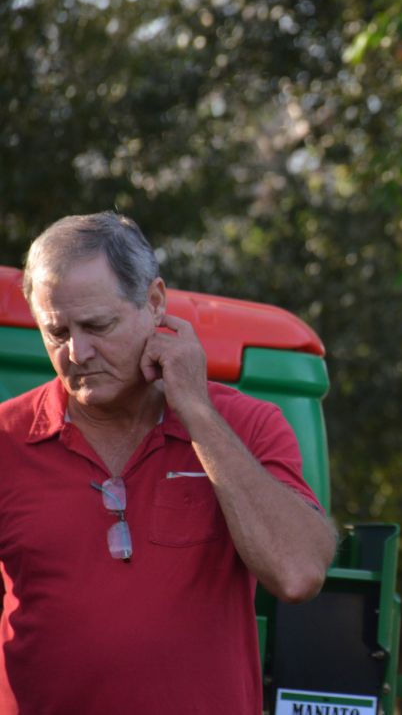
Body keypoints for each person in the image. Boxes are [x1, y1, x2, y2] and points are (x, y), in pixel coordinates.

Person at [0, 212, 338, 714]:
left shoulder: (246, 424)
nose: (78, 352)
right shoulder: (7, 438)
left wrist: (196, 411)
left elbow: (297, 573)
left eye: (97, 325)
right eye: (57, 332)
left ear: (155, 302)